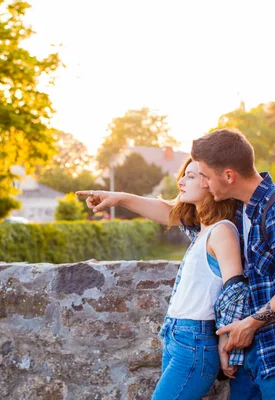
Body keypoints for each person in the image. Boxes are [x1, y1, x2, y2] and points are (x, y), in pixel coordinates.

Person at [77, 157, 249, 399]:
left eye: (191, 176)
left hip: (195, 342)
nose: (181, 181)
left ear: (211, 182)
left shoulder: (222, 231)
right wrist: (118, 198)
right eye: (183, 174)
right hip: (177, 336)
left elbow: (236, 290)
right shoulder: (202, 229)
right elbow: (166, 210)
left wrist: (227, 342)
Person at [191, 128, 275, 400]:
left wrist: (248, 325)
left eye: (205, 175)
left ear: (228, 176)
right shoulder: (241, 209)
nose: (204, 183)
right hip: (249, 352)